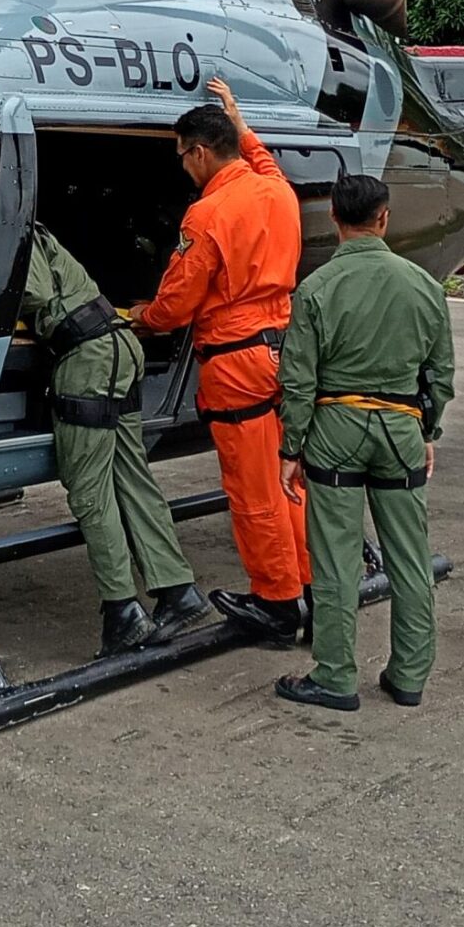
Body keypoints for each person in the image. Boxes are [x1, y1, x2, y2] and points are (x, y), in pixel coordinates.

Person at [136, 79, 312, 643]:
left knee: (253, 489)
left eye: (183, 156)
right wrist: (240, 121)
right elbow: (262, 160)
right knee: (290, 481)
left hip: (236, 364)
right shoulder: (276, 191)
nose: (183, 169)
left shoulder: (206, 215)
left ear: (200, 152)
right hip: (284, 352)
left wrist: (140, 316)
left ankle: (277, 604)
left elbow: (177, 304)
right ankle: (309, 589)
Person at [273, 173, 456, 713]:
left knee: (334, 559)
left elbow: (298, 380)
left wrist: (291, 449)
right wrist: (427, 430)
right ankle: (408, 676)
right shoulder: (424, 286)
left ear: (333, 217)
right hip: (400, 429)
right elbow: (439, 374)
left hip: (335, 429)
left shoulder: (316, 289)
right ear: (384, 217)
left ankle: (334, 675)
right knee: (410, 557)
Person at [20, 222, 208, 655]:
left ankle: (123, 611)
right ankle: (178, 590)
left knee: (90, 491)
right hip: (118, 345)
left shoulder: (12, 229)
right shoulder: (40, 230)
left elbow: (36, 294)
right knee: (131, 477)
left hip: (87, 358)